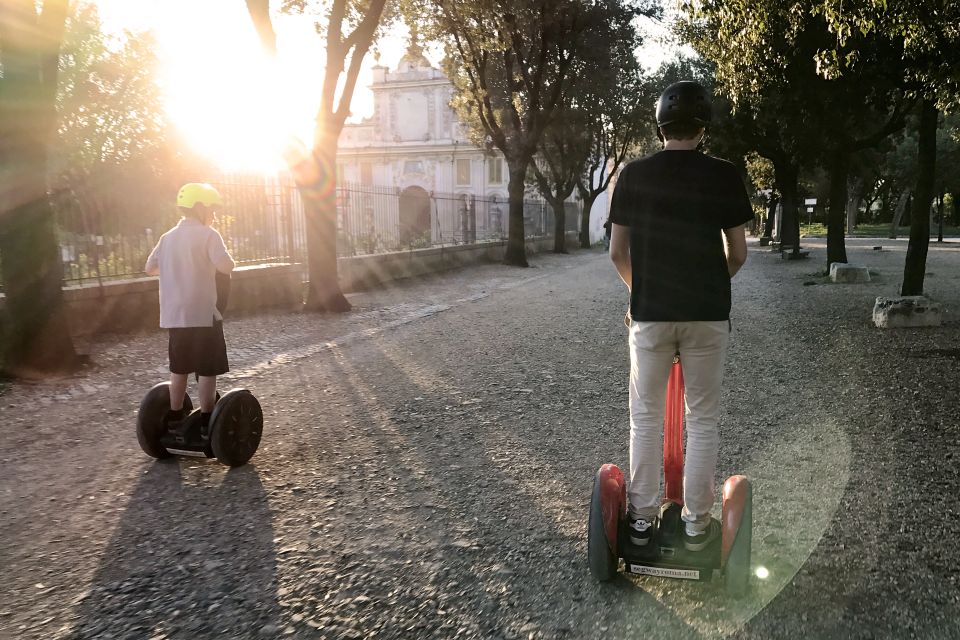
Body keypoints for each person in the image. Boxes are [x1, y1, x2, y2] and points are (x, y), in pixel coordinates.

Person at [607, 81, 751, 552]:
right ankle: (695, 525)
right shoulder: (725, 175)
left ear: (660, 124)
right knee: (702, 418)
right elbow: (739, 253)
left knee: (645, 418)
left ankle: (642, 521)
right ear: (703, 126)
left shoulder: (633, 174)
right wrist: (710, 284)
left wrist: (641, 292)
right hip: (707, 315)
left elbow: (616, 252)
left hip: (650, 315)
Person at [145, 183, 236, 434]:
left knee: (179, 367)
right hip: (203, 314)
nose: (214, 215)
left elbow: (150, 268)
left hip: (175, 316)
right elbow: (226, 266)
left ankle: (174, 416)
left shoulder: (167, 237)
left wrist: (177, 267)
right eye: (212, 209)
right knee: (207, 368)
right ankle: (207, 421)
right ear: (200, 207)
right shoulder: (209, 235)